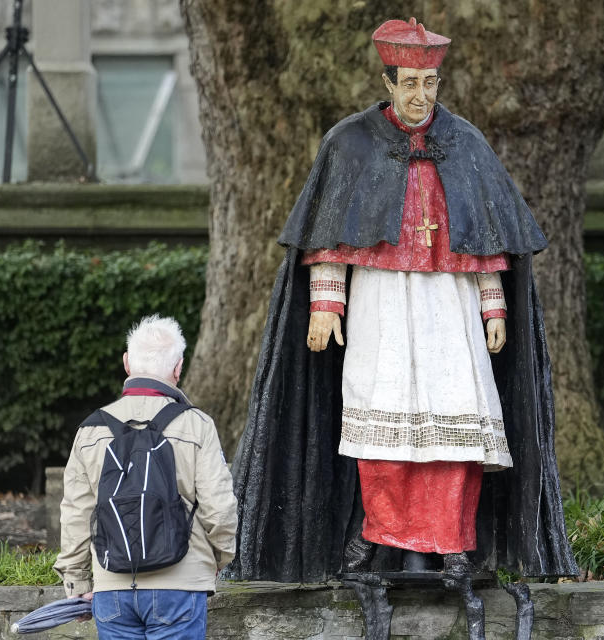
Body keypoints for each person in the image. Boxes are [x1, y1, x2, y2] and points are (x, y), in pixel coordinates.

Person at [230, 17, 577, 586]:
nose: (421, 96)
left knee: (455, 418)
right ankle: (383, 535)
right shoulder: (350, 142)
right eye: (409, 83)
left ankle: (453, 541)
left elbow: (486, 234)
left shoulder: (465, 143)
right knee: (379, 416)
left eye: (430, 83)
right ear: (388, 82)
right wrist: (325, 305)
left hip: (451, 305)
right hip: (381, 303)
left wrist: (494, 305)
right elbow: (329, 235)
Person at [54, 314, 238, 640]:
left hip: (112, 589)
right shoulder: (197, 425)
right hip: (180, 585)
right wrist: (220, 556)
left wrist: (77, 581)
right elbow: (218, 506)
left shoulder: (90, 430)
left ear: (127, 363)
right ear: (178, 368)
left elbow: (77, 513)